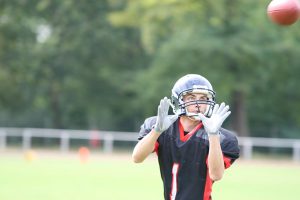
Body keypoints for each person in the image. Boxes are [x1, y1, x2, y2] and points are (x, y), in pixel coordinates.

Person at [132, 74, 240, 200]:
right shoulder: (161, 126)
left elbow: (216, 175)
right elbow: (137, 158)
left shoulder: (223, 138)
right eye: (191, 98)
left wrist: (213, 135)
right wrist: (156, 131)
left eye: (203, 98)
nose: (198, 103)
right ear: (178, 100)